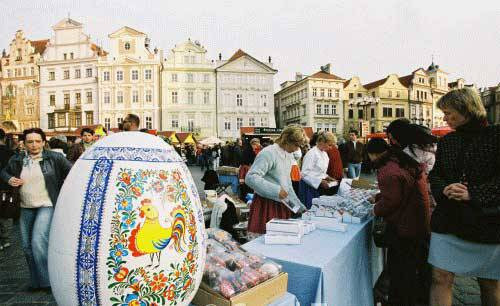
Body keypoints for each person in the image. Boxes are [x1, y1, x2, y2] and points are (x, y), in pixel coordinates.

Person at [427, 88, 500, 306]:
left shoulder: (496, 136)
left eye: (449, 113)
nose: (445, 118)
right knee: (440, 277)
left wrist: (473, 193)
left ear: (466, 109)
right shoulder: (448, 140)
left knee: (489, 282)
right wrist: (444, 189)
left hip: (486, 221)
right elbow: (436, 174)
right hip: (449, 219)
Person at [0, 128, 72, 291]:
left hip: (47, 205)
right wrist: (9, 178)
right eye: (30, 142)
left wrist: (67, 190)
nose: (34, 145)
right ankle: (36, 281)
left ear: (44, 142)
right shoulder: (17, 159)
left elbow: (73, 170)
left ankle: (47, 282)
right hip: (25, 206)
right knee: (26, 247)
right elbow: (3, 172)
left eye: (38, 141)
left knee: (38, 242)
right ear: (24, 143)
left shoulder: (55, 157)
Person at [367, 138, 431, 306]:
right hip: (417, 222)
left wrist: (374, 209)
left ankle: (401, 299)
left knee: (402, 267)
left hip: (405, 226)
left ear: (373, 154)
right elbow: (402, 191)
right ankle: (413, 297)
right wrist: (380, 196)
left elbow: (392, 201)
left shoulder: (388, 169)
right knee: (412, 265)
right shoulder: (399, 161)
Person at [245, 125, 307, 234]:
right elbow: (250, 177)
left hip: (283, 203)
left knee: (281, 238)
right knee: (266, 239)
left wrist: (299, 208)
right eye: (296, 145)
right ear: (287, 141)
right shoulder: (268, 153)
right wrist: (276, 190)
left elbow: (287, 185)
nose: (297, 149)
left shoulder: (288, 155)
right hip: (266, 205)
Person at [299, 131, 338, 209]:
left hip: (317, 186)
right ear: (322, 142)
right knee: (310, 208)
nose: (330, 148)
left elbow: (320, 171)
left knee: (318, 208)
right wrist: (319, 181)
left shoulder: (324, 154)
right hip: (308, 186)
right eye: (329, 145)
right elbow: (304, 174)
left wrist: (328, 177)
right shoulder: (312, 153)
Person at [0, 129, 15, 251]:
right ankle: (5, 239)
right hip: (6, 188)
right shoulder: (11, 153)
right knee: (6, 214)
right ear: (4, 138)